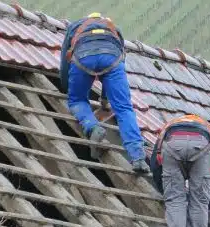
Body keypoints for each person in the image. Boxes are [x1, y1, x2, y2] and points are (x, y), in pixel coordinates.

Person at [59, 12, 149, 173]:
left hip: (83, 58)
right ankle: (138, 157)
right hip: (112, 59)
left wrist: (66, 87)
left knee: (77, 101)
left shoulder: (75, 27)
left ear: (87, 19)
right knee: (123, 108)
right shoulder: (114, 28)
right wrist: (105, 100)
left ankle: (92, 127)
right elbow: (120, 60)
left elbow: (65, 60)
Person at [150, 115, 210, 227]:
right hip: (202, 145)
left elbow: (155, 166)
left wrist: (165, 191)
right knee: (200, 199)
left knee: (175, 199)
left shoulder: (168, 128)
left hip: (172, 143)